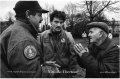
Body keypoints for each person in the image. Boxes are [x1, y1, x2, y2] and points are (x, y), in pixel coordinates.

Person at [0, 1, 58, 78]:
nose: (41, 19)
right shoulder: (25, 40)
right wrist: (51, 69)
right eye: (39, 15)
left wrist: (41, 63)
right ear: (28, 14)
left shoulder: (11, 31)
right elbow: (34, 75)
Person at [38, 10, 80, 78]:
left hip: (64, 72)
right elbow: (38, 54)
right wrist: (43, 63)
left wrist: (72, 71)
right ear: (51, 22)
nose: (59, 25)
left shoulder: (68, 36)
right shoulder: (43, 36)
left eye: (61, 22)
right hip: (48, 72)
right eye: (56, 22)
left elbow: (73, 55)